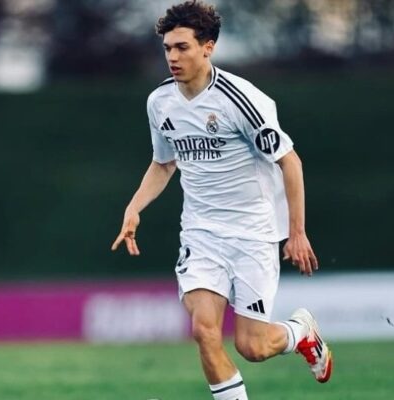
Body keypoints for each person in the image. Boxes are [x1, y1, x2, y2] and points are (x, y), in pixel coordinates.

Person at [111, 2, 332, 398]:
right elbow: (164, 163)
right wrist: (133, 208)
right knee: (203, 330)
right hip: (201, 234)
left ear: (208, 47)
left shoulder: (241, 100)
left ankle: (301, 331)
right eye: (167, 48)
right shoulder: (160, 102)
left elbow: (290, 161)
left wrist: (296, 233)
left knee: (253, 347)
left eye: (183, 47)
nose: (173, 57)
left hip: (253, 234)